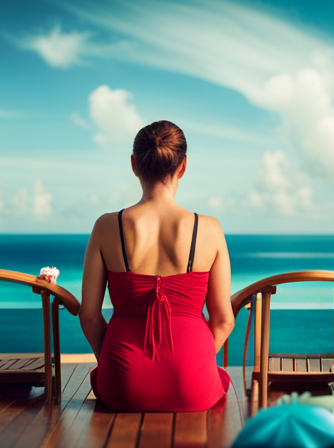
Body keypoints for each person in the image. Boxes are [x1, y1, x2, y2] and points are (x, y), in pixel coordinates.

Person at [80, 120, 235, 412]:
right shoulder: (210, 229)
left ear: (134, 165)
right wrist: (195, 361)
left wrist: (115, 363)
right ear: (183, 166)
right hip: (192, 382)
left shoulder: (106, 226)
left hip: (122, 382)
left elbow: (89, 317)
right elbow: (224, 319)